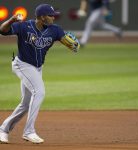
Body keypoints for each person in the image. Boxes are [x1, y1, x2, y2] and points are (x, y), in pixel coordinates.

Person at [0, 4, 80, 144]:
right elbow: (2, 30)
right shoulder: (24, 26)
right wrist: (12, 20)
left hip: (37, 68)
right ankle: (29, 131)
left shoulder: (55, 30)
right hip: (22, 65)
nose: (53, 17)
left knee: (25, 104)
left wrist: (73, 44)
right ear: (42, 17)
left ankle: (3, 129)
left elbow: (68, 41)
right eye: (50, 15)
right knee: (39, 91)